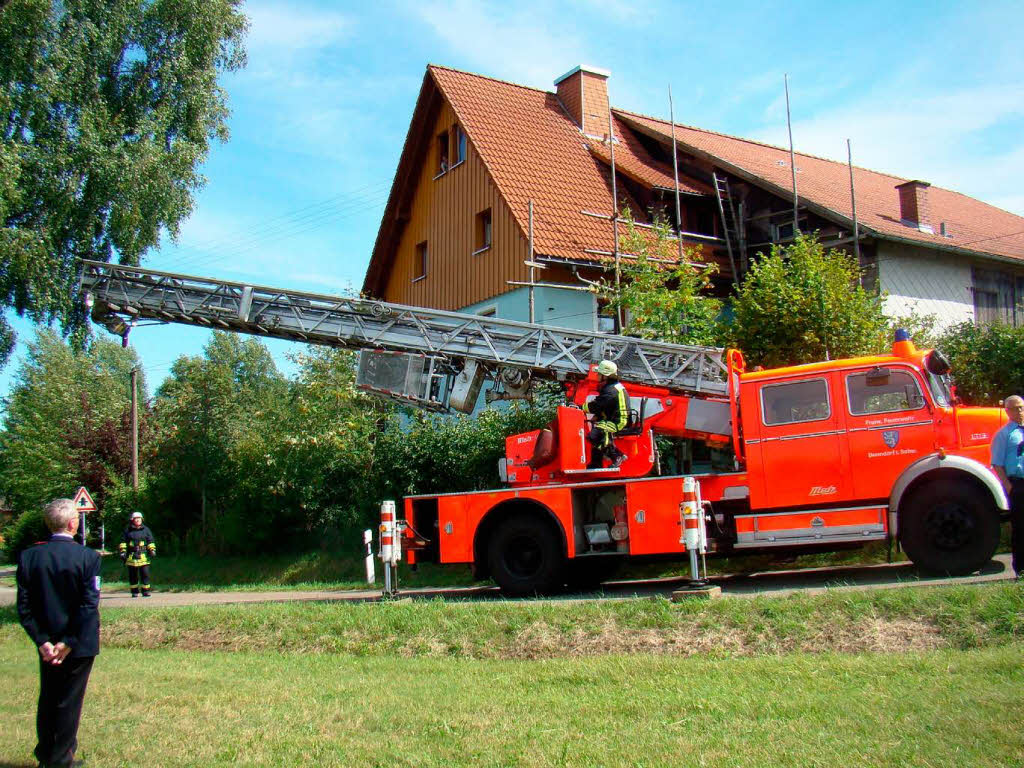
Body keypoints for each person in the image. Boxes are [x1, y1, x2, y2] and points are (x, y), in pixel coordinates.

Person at [16, 498, 101, 768]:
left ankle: (46, 755)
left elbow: (24, 607)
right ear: (73, 523)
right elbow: (89, 605)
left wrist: (42, 641)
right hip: (78, 644)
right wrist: (69, 641)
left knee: (49, 697)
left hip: (47, 643)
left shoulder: (29, 556)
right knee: (69, 701)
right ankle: (61, 759)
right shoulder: (88, 557)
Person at [990, 395, 1024, 579]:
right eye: (1014, 408)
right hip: (1018, 484)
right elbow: (997, 463)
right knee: (1020, 528)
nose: (1018, 411)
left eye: (1021, 407)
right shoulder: (1004, 435)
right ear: (1007, 411)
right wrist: (1008, 486)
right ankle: (1021, 569)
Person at [583, 360, 629, 469]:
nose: (597, 376)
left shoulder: (611, 390)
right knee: (597, 435)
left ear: (605, 376)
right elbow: (605, 406)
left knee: (596, 435)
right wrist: (598, 416)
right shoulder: (612, 387)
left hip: (618, 421)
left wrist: (581, 407)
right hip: (612, 418)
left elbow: (597, 405)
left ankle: (617, 456)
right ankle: (596, 463)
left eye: (599, 374)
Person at [119, 511, 156, 597]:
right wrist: (122, 552)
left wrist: (152, 550)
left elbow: (150, 541)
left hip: (144, 556)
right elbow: (123, 542)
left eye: (139, 518)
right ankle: (134, 592)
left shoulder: (146, 530)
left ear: (142, 519)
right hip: (132, 556)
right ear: (132, 520)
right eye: (136, 518)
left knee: (145, 574)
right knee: (133, 575)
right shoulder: (128, 530)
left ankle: (145, 591)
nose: (138, 520)